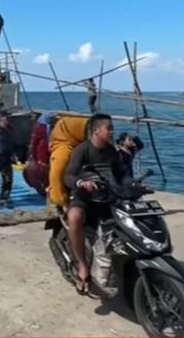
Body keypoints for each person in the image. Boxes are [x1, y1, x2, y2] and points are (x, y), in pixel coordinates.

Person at [62, 113, 134, 294]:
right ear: (96, 130)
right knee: (74, 217)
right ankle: (82, 266)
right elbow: (68, 175)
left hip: (107, 196)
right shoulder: (82, 150)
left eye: (112, 128)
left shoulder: (112, 151)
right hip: (84, 197)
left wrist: (135, 185)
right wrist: (81, 183)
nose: (112, 132)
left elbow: (121, 175)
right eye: (108, 128)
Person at [47, 114, 90, 207]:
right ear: (74, 130)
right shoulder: (63, 152)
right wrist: (64, 204)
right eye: (85, 130)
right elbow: (56, 178)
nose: (88, 134)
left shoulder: (75, 147)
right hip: (65, 204)